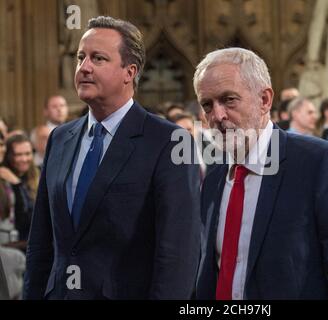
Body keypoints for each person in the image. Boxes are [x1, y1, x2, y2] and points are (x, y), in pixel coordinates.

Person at [24, 16, 201, 299]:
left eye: (98, 58)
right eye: (81, 57)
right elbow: (41, 243)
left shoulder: (168, 142)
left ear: (129, 72)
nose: (84, 67)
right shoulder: (60, 138)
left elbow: (178, 255)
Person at [194, 47, 328, 300]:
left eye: (229, 100)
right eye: (207, 105)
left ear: (265, 100)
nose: (217, 115)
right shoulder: (213, 178)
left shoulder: (321, 163)